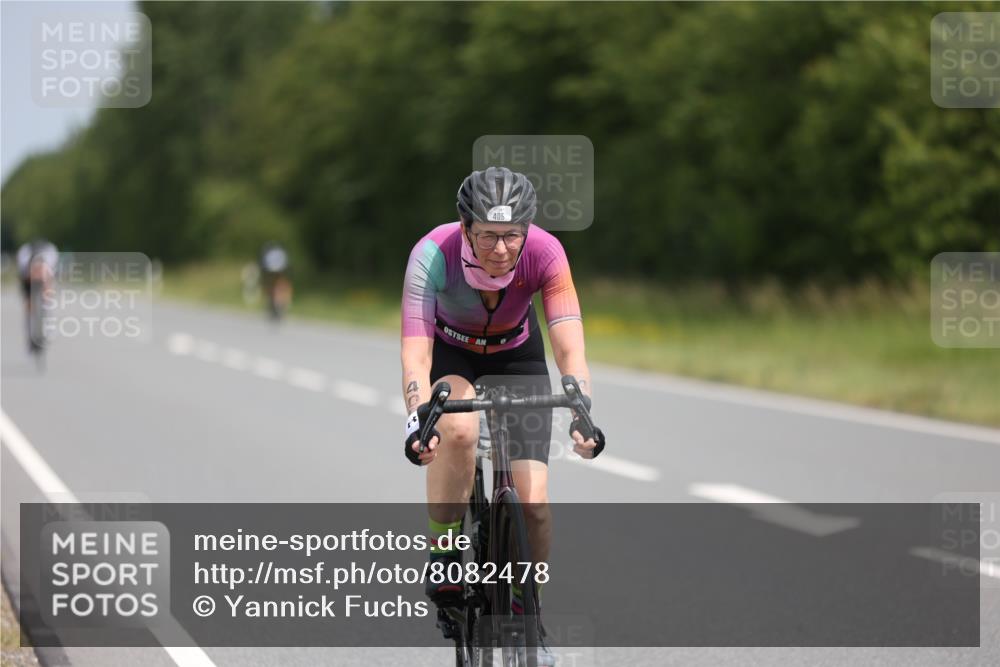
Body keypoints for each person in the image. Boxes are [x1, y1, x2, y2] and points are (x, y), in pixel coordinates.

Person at [400, 167, 602, 665]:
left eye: (512, 235)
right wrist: (417, 419)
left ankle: (527, 613)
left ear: (527, 231)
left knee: (533, 504)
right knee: (460, 429)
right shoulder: (432, 254)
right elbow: (416, 354)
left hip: (518, 356)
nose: (501, 249)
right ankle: (445, 552)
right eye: (488, 235)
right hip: (453, 354)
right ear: (465, 227)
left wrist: (582, 409)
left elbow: (569, 345)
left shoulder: (546, 253)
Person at [16, 238, 59, 348]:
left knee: (48, 299)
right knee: (28, 304)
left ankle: (47, 328)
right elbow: (23, 280)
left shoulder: (51, 255)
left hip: (47, 276)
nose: (37, 274)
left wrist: (47, 295)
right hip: (27, 278)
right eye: (36, 271)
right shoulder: (24, 257)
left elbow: (51, 279)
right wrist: (28, 299)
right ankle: (30, 332)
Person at [258, 241, 292, 320]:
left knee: (273, 282)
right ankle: (281, 302)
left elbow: (264, 265)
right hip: (277, 269)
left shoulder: (270, 253)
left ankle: (276, 301)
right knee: (279, 282)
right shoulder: (280, 253)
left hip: (273, 270)